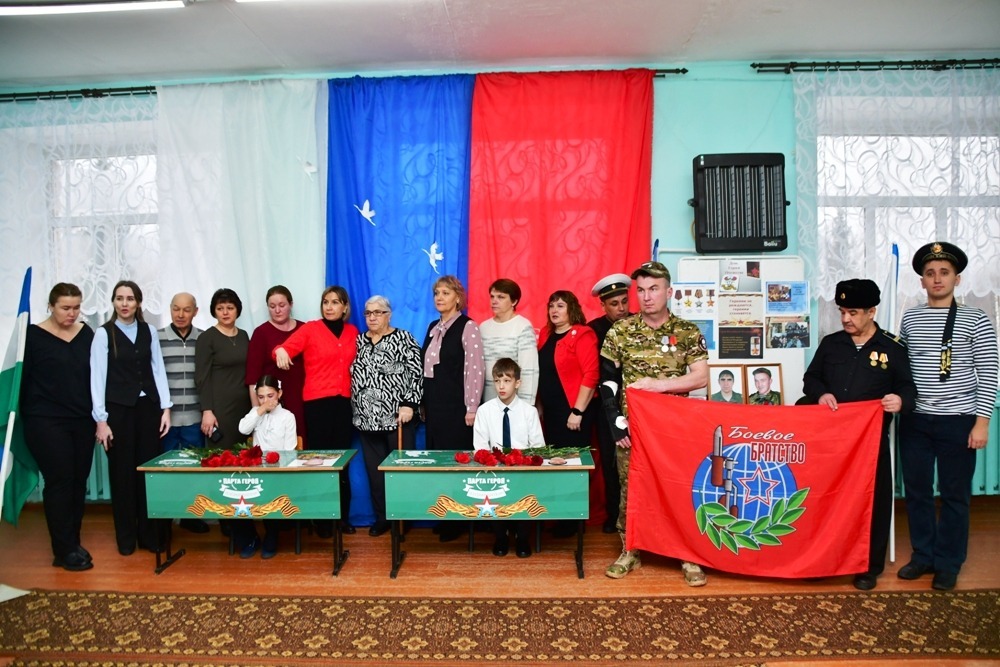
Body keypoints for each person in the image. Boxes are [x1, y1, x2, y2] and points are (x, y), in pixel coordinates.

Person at [802, 278, 916, 590]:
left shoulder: (892, 347)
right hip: (830, 440)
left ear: (871, 312)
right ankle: (823, 561)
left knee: (872, 502)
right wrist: (821, 394)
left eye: (852, 312)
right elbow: (810, 379)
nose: (845, 319)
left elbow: (908, 387)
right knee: (827, 500)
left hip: (869, 441)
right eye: (842, 312)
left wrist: (900, 400)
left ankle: (868, 567)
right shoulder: (832, 344)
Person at [600, 261, 709, 584]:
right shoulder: (620, 331)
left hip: (675, 429)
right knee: (631, 489)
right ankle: (630, 550)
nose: (647, 297)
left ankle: (687, 554)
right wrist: (615, 422)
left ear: (668, 291)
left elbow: (700, 378)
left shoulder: (687, 332)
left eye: (654, 289)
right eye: (642, 290)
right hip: (633, 428)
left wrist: (657, 385)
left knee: (680, 488)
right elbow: (608, 381)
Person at [897, 242, 998, 591]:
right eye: (930, 273)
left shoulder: (976, 319)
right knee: (917, 492)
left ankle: (948, 563)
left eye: (944, 272)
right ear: (922, 281)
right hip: (916, 421)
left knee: (955, 495)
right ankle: (923, 556)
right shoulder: (911, 318)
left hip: (958, 419)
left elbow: (989, 373)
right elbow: (902, 368)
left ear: (957, 278)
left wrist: (982, 423)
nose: (937, 279)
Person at [90, 280, 172, 556]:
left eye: (130, 298)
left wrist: (166, 408)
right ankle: (125, 538)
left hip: (148, 408)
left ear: (138, 302)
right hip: (118, 412)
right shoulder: (104, 334)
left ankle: (149, 536)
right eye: (119, 298)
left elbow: (158, 370)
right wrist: (101, 420)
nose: (124, 303)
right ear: (113, 302)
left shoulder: (149, 331)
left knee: (147, 473)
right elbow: (97, 378)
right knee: (122, 474)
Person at [21, 283, 96, 571]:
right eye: (65, 308)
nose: (71, 313)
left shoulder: (85, 333)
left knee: (78, 482)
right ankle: (64, 550)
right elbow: (21, 381)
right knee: (60, 481)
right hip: (45, 420)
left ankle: (72, 543)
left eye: (76, 307)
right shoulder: (32, 336)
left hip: (82, 419)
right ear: (51, 306)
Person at [274, 285, 358, 535]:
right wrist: (280, 350)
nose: (329, 307)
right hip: (317, 405)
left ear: (345, 307)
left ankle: (342, 518)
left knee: (342, 462)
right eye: (325, 302)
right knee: (320, 462)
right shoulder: (310, 329)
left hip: (344, 404)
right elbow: (282, 349)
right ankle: (322, 520)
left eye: (335, 302)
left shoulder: (353, 332)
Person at [351, 295, 423, 537]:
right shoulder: (359, 341)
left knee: (400, 472)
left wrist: (409, 404)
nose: (372, 317)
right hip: (366, 420)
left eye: (378, 312)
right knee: (375, 474)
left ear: (388, 315)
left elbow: (416, 373)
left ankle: (402, 519)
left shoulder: (404, 338)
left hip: (397, 418)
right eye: (368, 313)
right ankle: (382, 518)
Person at [421, 275, 484, 542]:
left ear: (458, 298)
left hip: (457, 409)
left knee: (456, 463)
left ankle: (459, 519)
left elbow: (475, 370)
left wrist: (472, 407)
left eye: (445, 293)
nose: (439, 297)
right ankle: (444, 515)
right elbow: (427, 372)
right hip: (435, 408)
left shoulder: (468, 327)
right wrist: (423, 404)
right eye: (437, 292)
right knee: (438, 463)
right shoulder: (433, 327)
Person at [473, 358, 545, 558]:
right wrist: (494, 462)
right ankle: (500, 537)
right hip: (495, 469)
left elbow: (538, 447)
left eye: (507, 381)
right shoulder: (484, 411)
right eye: (497, 381)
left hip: (522, 469)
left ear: (517, 383)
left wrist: (522, 462)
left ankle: (522, 538)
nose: (501, 386)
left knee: (526, 489)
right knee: (493, 489)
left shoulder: (529, 412)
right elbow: (480, 446)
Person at [157, 292, 209, 534]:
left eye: (186, 310)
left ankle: (190, 516)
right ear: (170, 309)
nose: (180, 314)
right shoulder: (157, 339)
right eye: (176, 309)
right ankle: (164, 519)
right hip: (166, 419)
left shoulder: (204, 339)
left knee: (193, 469)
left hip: (195, 418)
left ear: (195, 312)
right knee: (164, 470)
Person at [588, 273, 632, 533]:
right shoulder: (594, 330)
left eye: (625, 301)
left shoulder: (639, 324)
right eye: (614, 304)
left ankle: (636, 516)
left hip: (637, 405)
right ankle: (614, 514)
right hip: (606, 406)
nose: (621, 308)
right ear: (603, 305)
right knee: (610, 460)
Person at [236, 374, 298, 559]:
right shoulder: (256, 413)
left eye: (270, 396)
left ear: (279, 393)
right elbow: (243, 429)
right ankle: (250, 538)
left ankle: (271, 534)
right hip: (256, 470)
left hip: (277, 472)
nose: (266, 401)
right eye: (261, 397)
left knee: (271, 491)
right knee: (236, 494)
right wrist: (260, 410)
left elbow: (289, 451)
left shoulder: (287, 417)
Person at [537, 290, 598, 449]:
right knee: (553, 458)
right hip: (550, 411)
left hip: (572, 410)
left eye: (560, 306)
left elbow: (591, 375)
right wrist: (539, 404)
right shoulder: (545, 333)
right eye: (551, 306)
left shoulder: (583, 334)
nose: (554, 310)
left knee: (573, 457)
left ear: (571, 308)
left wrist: (577, 411)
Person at [245, 285, 306, 445]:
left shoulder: (304, 329)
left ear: (291, 304)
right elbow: (252, 379)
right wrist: (258, 412)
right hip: (273, 403)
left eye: (282, 305)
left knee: (302, 443)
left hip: (302, 399)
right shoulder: (261, 333)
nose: (277, 310)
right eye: (272, 306)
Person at [195, 288, 251, 450]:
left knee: (245, 455)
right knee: (221, 456)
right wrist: (207, 411)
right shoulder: (206, 338)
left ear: (237, 310)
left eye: (230, 308)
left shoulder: (244, 335)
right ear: (214, 311)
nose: (225, 313)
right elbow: (202, 377)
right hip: (220, 409)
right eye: (220, 308)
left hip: (244, 406)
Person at [479, 278, 538, 405]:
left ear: (514, 301)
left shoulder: (523, 326)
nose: (494, 301)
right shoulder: (483, 327)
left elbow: (529, 370)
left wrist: (526, 405)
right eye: (492, 296)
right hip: (488, 402)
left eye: (501, 297)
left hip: (515, 403)